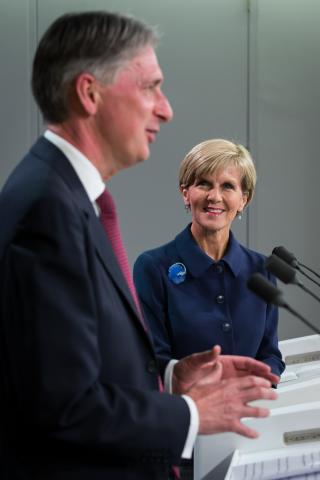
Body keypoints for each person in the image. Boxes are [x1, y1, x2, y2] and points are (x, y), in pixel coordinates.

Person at [0, 12, 278, 480]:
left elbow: (77, 369)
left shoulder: (65, 197)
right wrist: (191, 412)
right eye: (150, 87)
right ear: (89, 93)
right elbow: (63, 410)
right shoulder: (47, 211)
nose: (165, 109)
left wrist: (168, 380)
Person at [134, 139, 285, 376]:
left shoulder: (262, 270)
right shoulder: (153, 267)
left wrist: (257, 383)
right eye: (204, 184)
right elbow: (153, 360)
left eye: (227, 186)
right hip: (186, 408)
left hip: (252, 406)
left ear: (243, 200)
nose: (214, 196)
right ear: (186, 194)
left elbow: (270, 355)